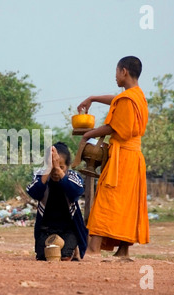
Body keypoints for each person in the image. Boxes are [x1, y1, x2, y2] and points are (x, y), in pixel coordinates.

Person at [76, 56, 149, 259]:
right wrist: (93, 98)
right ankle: (123, 250)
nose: (115, 76)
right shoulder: (137, 96)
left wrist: (89, 134)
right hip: (135, 158)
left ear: (124, 71)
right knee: (127, 204)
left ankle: (93, 249)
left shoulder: (128, 99)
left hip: (123, 158)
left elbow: (116, 128)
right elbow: (116, 100)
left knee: (107, 200)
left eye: (116, 72)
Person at [26, 142, 88, 261]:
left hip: (69, 230)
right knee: (43, 257)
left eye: (61, 166)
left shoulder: (72, 176)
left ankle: (73, 249)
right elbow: (35, 192)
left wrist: (60, 172)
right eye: (52, 167)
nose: (55, 170)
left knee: (64, 256)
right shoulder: (41, 177)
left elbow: (77, 192)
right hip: (46, 230)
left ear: (68, 166)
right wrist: (48, 169)